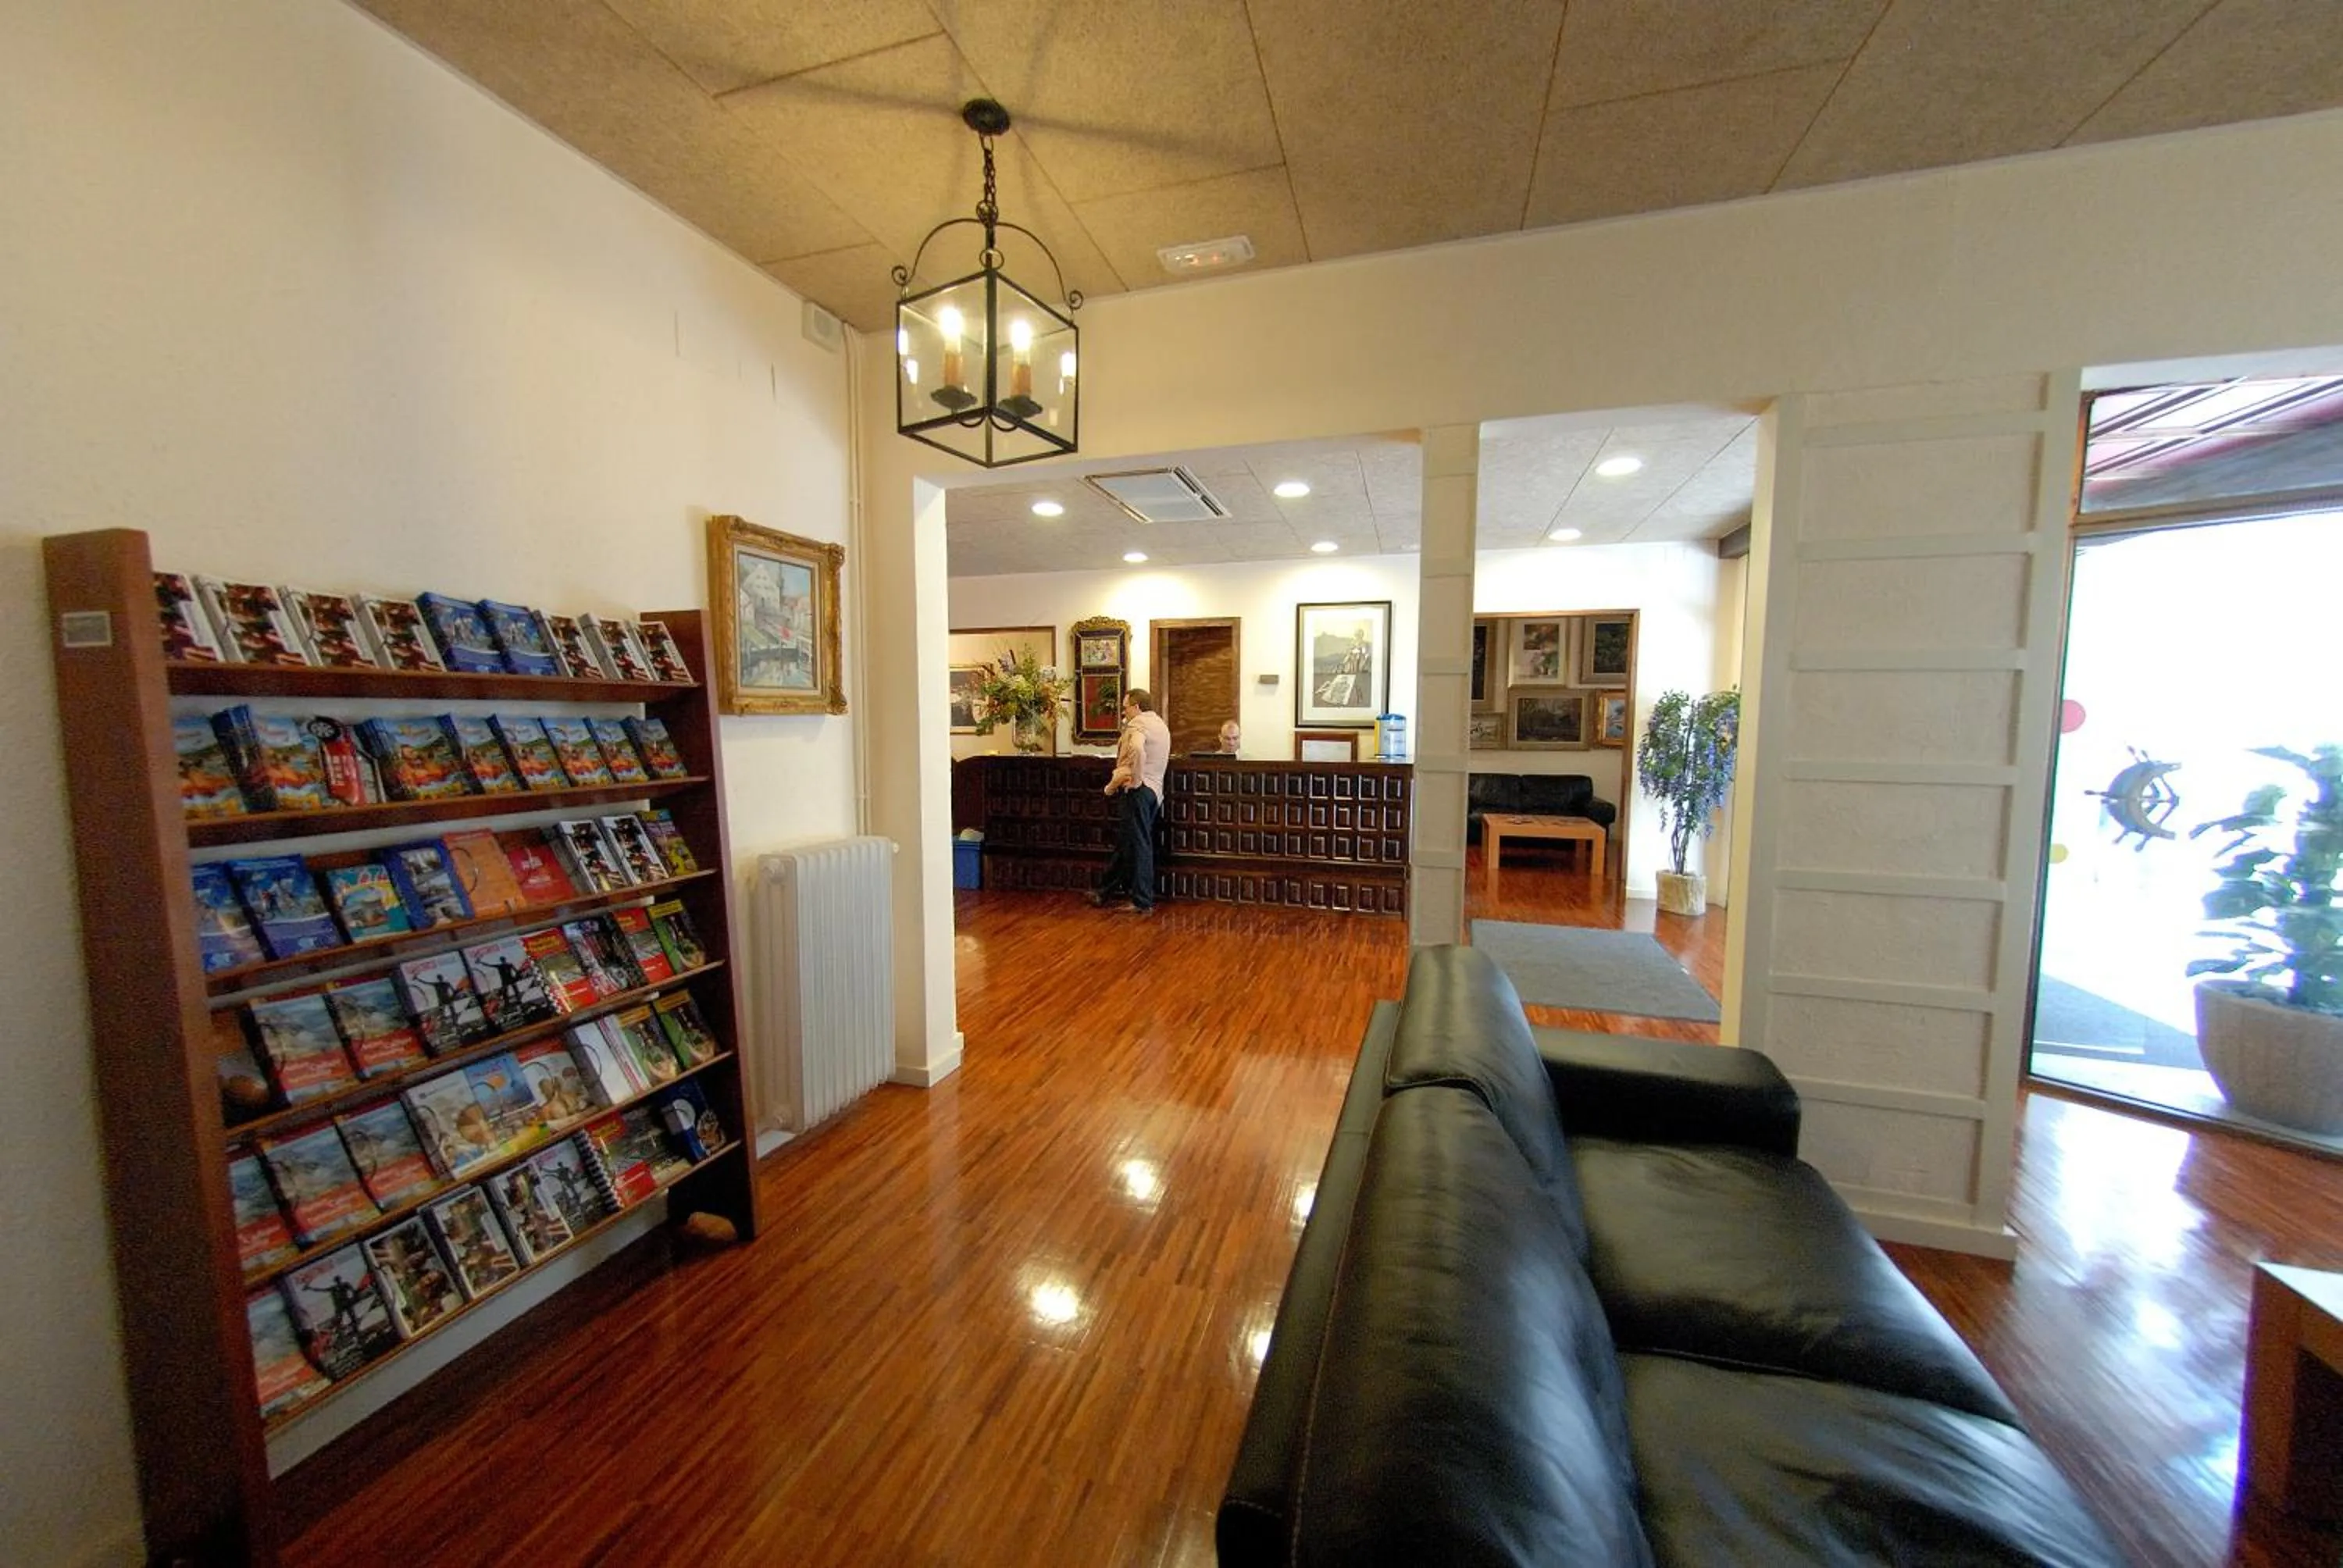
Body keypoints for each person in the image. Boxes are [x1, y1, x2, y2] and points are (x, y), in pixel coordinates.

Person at [1089, 688, 1170, 914]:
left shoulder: (1138, 725)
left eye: (1126, 708)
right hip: (1155, 792)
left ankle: (1142, 901)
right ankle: (1103, 892)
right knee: (1128, 843)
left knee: (1139, 844)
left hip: (1139, 792)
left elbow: (1136, 749)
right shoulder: (1161, 725)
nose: (1124, 713)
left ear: (1137, 707)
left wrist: (1136, 780)